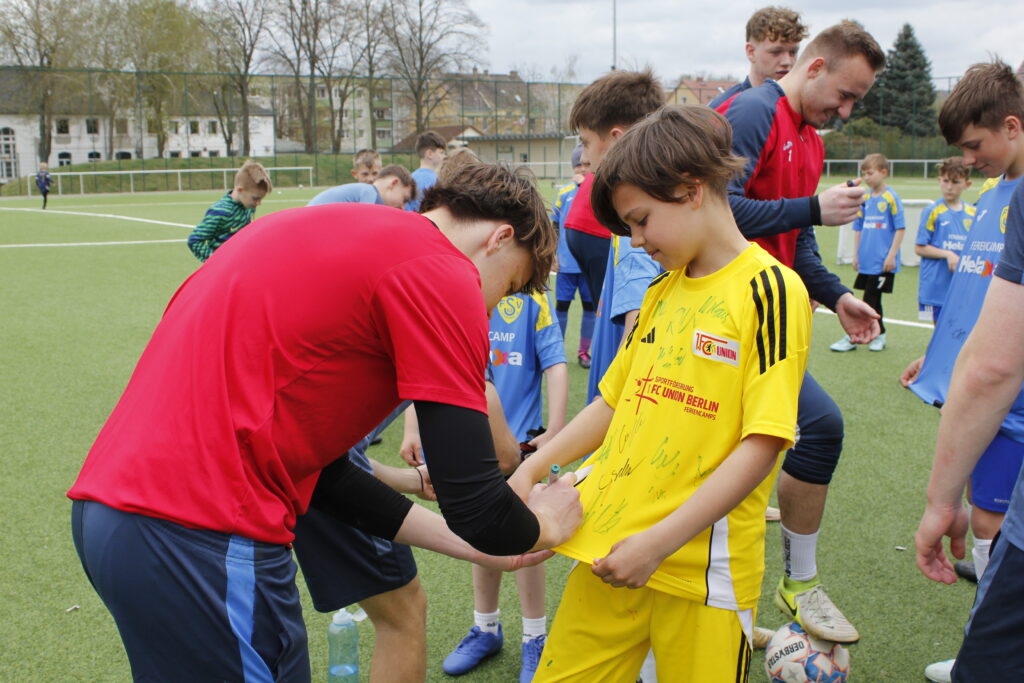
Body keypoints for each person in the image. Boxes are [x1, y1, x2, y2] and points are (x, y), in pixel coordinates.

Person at [67, 160, 583, 681]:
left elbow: (324, 474)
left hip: (112, 520)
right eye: (509, 285)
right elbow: (477, 504)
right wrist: (544, 524)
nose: (493, 309)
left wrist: (478, 547)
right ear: (499, 238)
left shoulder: (309, 226)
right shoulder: (442, 271)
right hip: (207, 532)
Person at [508, 104, 810, 682]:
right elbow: (613, 401)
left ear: (691, 189)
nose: (638, 240)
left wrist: (659, 544)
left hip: (702, 575)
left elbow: (764, 443)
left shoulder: (770, 290)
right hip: (609, 551)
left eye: (642, 220)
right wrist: (534, 465)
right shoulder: (661, 291)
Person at [715, 20, 886, 644]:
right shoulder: (752, 110)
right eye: (844, 95)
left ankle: (782, 590)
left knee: (807, 435)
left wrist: (839, 295)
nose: (844, 111)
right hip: (724, 321)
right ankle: (731, 602)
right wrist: (812, 208)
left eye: (855, 103)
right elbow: (717, 208)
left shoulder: (809, 140)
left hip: (774, 321)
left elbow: (798, 242)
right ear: (813, 68)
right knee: (758, 450)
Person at [901, 61, 1024, 683]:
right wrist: (941, 356)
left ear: (1012, 124)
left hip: (1011, 405)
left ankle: (988, 653)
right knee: (986, 517)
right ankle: (985, 650)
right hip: (981, 393)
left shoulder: (1017, 199)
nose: (970, 159)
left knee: (993, 524)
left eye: (975, 145)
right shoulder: (992, 199)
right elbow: (978, 298)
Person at [442, 291, 568, 681]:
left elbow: (556, 364)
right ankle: (486, 628)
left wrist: (556, 430)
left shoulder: (534, 298)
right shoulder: (460, 290)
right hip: (475, 443)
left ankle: (535, 636)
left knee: (527, 539)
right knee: (481, 537)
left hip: (523, 448)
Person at [563, 70, 664, 305]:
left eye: (586, 144)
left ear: (617, 138)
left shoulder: (637, 224)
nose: (584, 159)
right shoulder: (634, 230)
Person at [831, 153, 905, 352]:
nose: (866, 177)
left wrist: (891, 256)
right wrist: (856, 255)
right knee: (867, 297)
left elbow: (900, 228)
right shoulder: (864, 199)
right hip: (867, 260)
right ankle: (866, 334)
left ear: (884, 172)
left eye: (870, 173)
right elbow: (858, 227)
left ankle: (873, 335)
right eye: (864, 173)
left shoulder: (891, 197)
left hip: (882, 262)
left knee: (872, 299)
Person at [709, 6, 809, 109]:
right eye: (776, 52)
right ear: (751, 52)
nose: (787, 62)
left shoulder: (803, 109)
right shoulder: (723, 109)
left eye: (793, 52)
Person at [550, 146, 597, 368]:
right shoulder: (564, 193)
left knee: (589, 308)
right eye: (579, 164)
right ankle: (556, 351)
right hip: (566, 265)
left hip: (588, 266)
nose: (583, 168)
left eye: (587, 164)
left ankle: (584, 352)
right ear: (573, 167)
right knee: (561, 307)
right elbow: (554, 226)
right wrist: (552, 255)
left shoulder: (597, 191)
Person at [914, 157, 974, 323]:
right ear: (939, 181)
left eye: (955, 182)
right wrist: (948, 254)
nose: (949, 187)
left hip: (962, 287)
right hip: (936, 288)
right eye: (946, 181)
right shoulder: (932, 211)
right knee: (939, 333)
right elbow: (919, 248)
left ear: (967, 184)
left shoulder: (973, 213)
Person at [186, 159, 272, 262]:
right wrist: (217, 262)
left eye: (261, 199)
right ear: (240, 190)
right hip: (223, 271)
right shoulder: (220, 211)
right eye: (255, 198)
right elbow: (194, 241)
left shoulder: (248, 206)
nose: (259, 203)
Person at [308, 164, 415, 208]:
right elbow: (366, 224)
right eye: (404, 199)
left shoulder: (364, 191)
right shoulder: (369, 192)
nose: (403, 207)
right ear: (394, 183)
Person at [405, 130, 447, 212]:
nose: (444, 156)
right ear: (430, 154)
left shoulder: (410, 178)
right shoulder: (437, 181)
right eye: (441, 152)